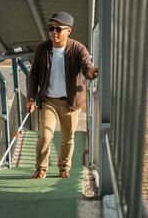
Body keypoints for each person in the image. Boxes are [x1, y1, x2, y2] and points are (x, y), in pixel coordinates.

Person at [26, 11, 98, 179]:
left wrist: (93, 72)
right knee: (45, 136)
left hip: (71, 103)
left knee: (67, 139)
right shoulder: (42, 49)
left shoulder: (78, 48)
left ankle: (64, 168)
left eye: (59, 29)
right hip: (49, 101)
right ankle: (41, 168)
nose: (54, 32)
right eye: (51, 28)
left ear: (69, 31)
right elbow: (34, 75)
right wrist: (31, 99)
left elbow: (87, 68)